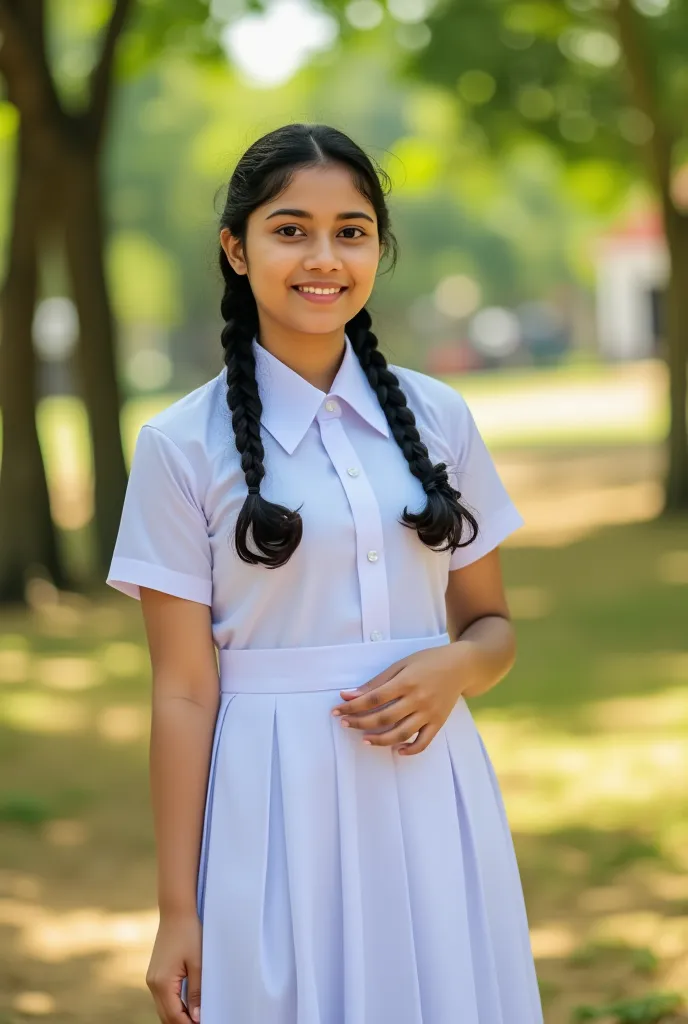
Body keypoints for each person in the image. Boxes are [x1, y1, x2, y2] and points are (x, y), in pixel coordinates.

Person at [106, 122, 543, 1024]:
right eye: (290, 228)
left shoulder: (440, 415)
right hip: (272, 805)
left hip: (434, 790)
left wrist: (455, 668)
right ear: (236, 248)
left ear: (379, 247)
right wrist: (177, 911)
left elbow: (492, 629)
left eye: (351, 231)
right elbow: (184, 691)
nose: (324, 256)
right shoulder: (179, 445)